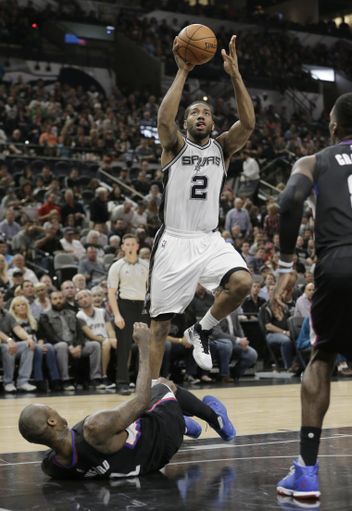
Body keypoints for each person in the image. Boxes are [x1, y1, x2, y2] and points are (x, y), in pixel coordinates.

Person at [273, 92, 352, 499]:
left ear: (332, 126)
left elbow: (290, 200)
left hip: (338, 260)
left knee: (322, 357)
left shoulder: (313, 161)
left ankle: (307, 473)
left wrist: (285, 264)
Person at [146, 35, 254, 378]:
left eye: (206, 112)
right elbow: (164, 120)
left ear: (213, 121)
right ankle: (147, 395)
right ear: (187, 122)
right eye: (194, 113)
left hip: (209, 240)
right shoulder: (174, 145)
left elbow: (248, 124)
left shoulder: (222, 149)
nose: (201, 116)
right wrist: (181, 72)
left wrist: (235, 74)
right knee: (159, 327)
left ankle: (202, 329)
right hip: (174, 241)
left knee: (240, 284)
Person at [18, 323, 236, 479]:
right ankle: (216, 420)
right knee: (160, 385)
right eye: (50, 410)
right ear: (52, 422)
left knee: (123, 419)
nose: (55, 410)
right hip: (162, 442)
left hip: (147, 465)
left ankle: (184, 423)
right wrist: (143, 345)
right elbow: (141, 400)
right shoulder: (95, 427)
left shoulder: (53, 467)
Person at [108, 234, 149, 394]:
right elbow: (111, 293)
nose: (130, 247)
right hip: (124, 306)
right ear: (123, 247)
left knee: (144, 346)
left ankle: (143, 383)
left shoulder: (146, 266)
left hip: (143, 306)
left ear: (137, 246)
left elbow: (151, 290)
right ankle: (122, 382)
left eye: (133, 244)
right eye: (127, 244)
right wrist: (117, 315)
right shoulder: (116, 266)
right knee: (124, 347)